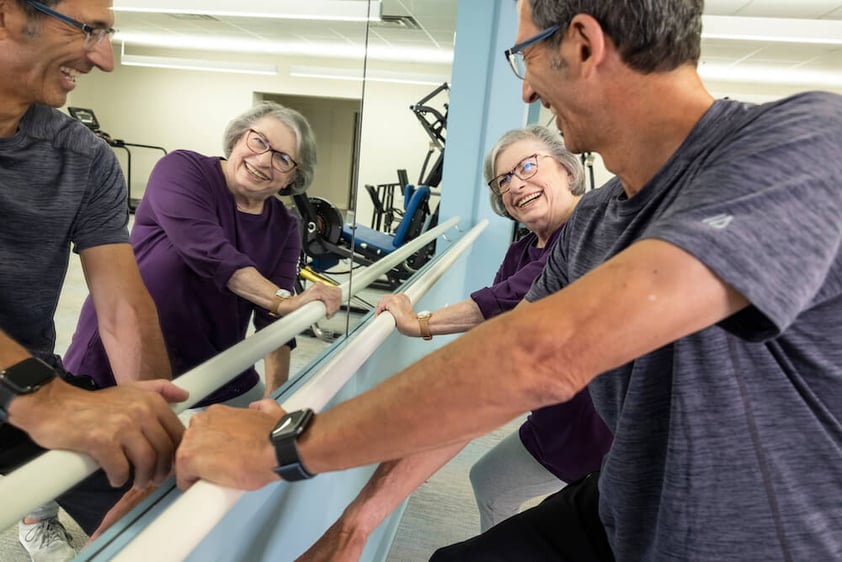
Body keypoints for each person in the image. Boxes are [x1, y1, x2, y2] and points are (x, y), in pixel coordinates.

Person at [176, 0, 842, 560]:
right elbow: (491, 378)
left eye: (525, 56)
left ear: (582, 44)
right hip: (626, 511)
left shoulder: (802, 140)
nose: (525, 90)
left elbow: (543, 355)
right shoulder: (594, 224)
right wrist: (360, 520)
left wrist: (286, 447)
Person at [297, 124, 611, 561]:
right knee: (491, 482)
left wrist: (419, 323)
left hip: (597, 429)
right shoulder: (523, 248)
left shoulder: (593, 226)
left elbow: (504, 302)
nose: (515, 185)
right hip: (553, 419)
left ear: (566, 167)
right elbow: (494, 332)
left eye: (526, 166)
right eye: (503, 181)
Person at [0, 0, 188, 560]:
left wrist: (150, 440)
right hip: (24, 387)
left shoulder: (83, 158)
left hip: (21, 383)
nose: (104, 58)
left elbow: (122, 309)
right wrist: (41, 396)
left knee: (168, 505)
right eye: (90, 30)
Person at [64, 102, 342, 406]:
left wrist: (275, 399)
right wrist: (284, 301)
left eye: (283, 158)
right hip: (123, 357)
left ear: (293, 178)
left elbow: (273, 321)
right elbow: (210, 253)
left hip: (217, 372)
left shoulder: (284, 226)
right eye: (259, 141)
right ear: (238, 138)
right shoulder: (182, 170)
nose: (264, 161)